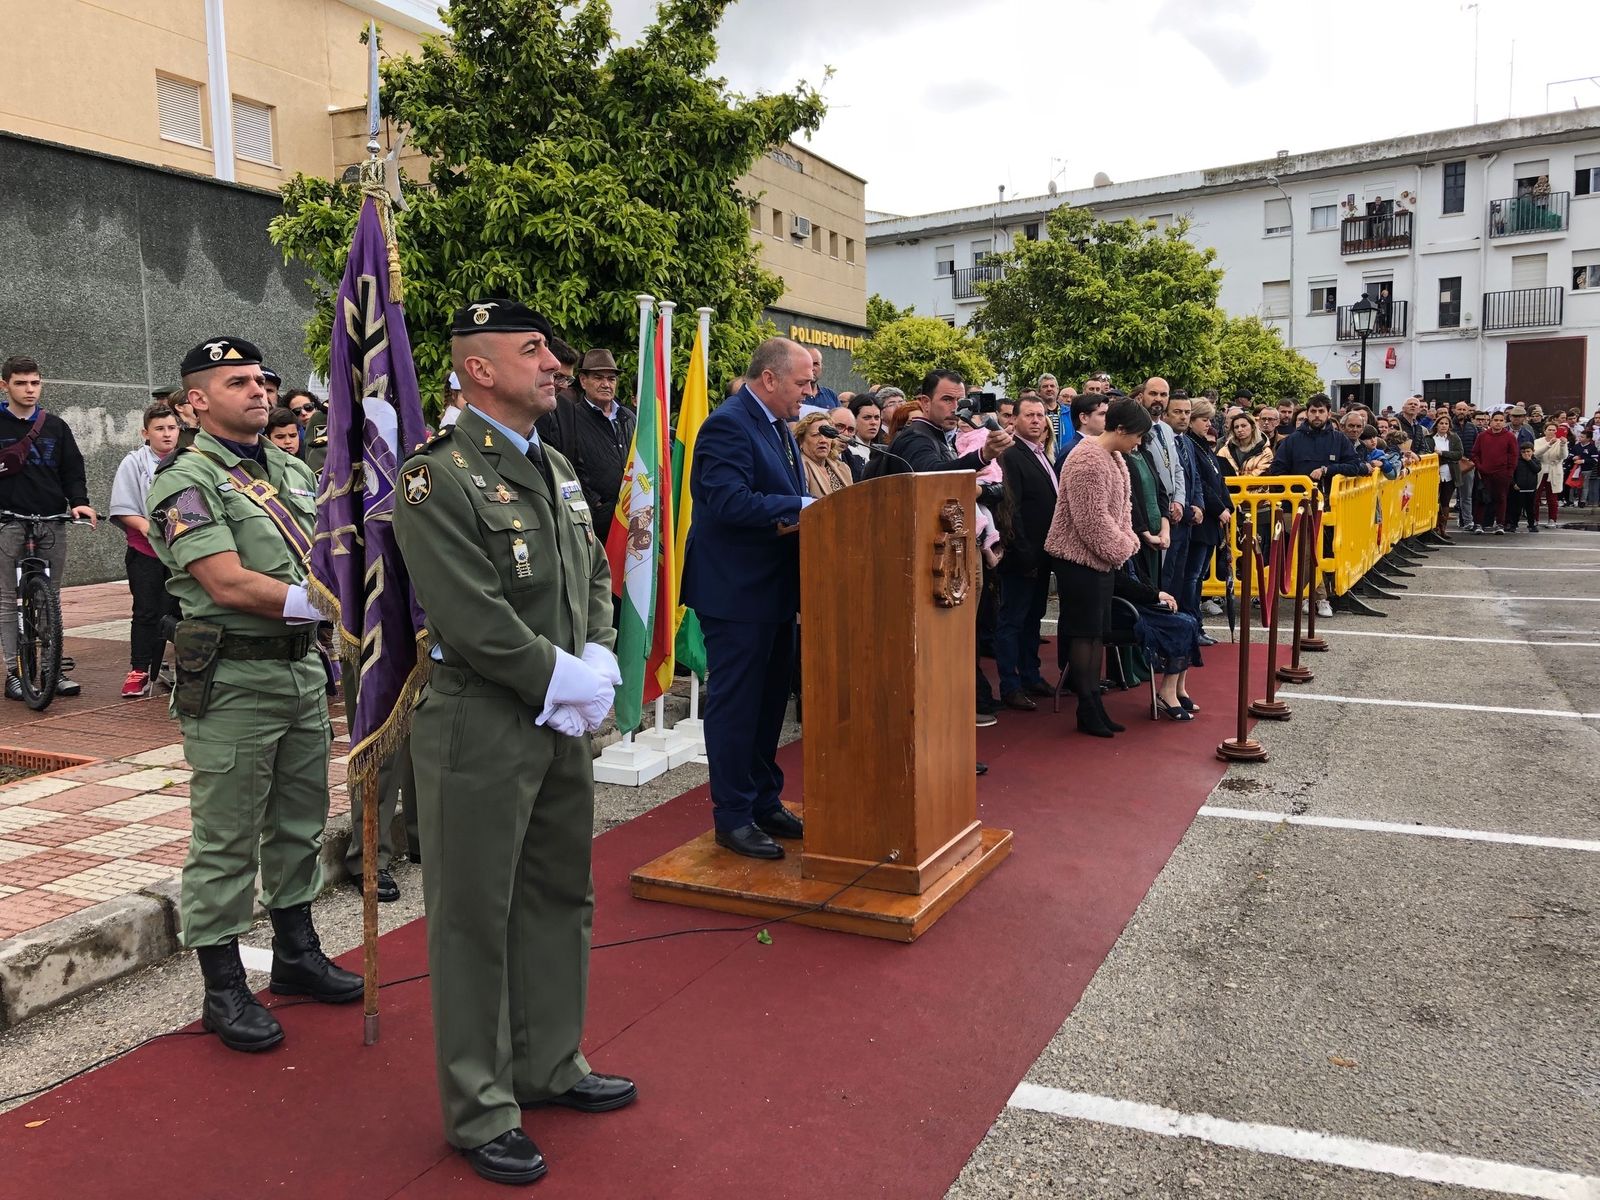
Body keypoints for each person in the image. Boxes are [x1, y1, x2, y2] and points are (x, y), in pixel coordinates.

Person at [392, 300, 633, 1186]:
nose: (555, 365)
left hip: (560, 718)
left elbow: (594, 572)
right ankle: (480, 1105)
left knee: (560, 894)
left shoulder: (559, 466)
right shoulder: (438, 477)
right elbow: (469, 613)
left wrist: (600, 652)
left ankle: (549, 1063)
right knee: (471, 920)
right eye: (533, 351)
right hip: (482, 721)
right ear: (479, 369)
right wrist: (562, 677)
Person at [144, 336, 361, 1055]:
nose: (258, 390)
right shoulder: (186, 481)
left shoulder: (295, 471)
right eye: (237, 382)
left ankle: (296, 956)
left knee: (299, 821)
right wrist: (333, 603)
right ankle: (223, 987)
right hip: (234, 679)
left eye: (261, 380)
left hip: (301, 671)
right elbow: (227, 582)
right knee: (227, 836)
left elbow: (332, 549)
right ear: (196, 401)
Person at [681, 338, 812, 862]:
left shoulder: (778, 426)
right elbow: (729, 501)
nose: (811, 391)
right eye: (803, 382)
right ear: (771, 378)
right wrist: (804, 505)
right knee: (737, 708)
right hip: (736, 593)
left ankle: (763, 800)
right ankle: (732, 816)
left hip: (775, 591)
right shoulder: (728, 424)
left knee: (767, 706)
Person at [1046, 397, 1149, 738]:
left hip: (1101, 559)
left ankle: (1093, 705)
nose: (1139, 442)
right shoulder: (1088, 459)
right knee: (1084, 634)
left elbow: (1120, 511)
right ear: (1119, 429)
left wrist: (1124, 544)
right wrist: (1124, 548)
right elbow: (1091, 521)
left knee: (1095, 635)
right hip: (1078, 560)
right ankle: (1087, 706)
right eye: (1137, 435)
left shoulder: (1113, 455)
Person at [0, 356, 97, 699]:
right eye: (21, 383)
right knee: (8, 600)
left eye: (35, 382)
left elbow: (72, 469)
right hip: (8, 521)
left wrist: (79, 502)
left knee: (49, 599)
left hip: (52, 520)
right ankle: (14, 672)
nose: (29, 389)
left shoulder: (55, 425)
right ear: (5, 385)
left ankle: (49, 670)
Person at [1267, 393, 1367, 616]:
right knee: (1307, 552)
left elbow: (1356, 466)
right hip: (1299, 508)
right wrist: (1297, 487)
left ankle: (1320, 595)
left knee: (1327, 552)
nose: (1317, 415)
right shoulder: (1292, 441)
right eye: (1313, 411)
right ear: (1306, 413)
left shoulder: (1339, 439)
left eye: (1321, 411)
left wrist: (1327, 470)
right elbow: (1277, 471)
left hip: (1331, 507)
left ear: (1328, 414)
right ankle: (1315, 597)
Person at [109, 402, 183, 697]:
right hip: (147, 549)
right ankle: (140, 669)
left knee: (183, 610)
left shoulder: (189, 460)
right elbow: (123, 507)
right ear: (145, 432)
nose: (167, 435)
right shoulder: (134, 462)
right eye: (160, 429)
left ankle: (186, 667)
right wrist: (146, 527)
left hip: (183, 549)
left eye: (172, 428)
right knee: (146, 611)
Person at [995, 397, 1059, 710]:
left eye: (1041, 415)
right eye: (1030, 415)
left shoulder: (1041, 453)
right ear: (1015, 420)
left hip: (1042, 553)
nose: (1036, 420)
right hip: (1022, 555)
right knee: (1013, 620)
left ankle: (1031, 674)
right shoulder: (1010, 453)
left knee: (1034, 617)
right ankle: (1010, 684)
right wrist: (1023, 553)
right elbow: (1010, 508)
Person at [537, 347, 636, 530]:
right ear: (583, 381)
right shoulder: (572, 416)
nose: (606, 384)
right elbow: (572, 464)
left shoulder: (629, 418)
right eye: (598, 378)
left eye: (611, 379)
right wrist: (595, 505)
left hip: (632, 515)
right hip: (597, 520)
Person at [1181, 400, 1232, 644]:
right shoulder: (1191, 445)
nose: (1209, 424)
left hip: (1212, 522)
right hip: (1202, 521)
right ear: (1193, 421)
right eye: (1204, 419)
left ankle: (1196, 626)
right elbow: (1200, 482)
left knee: (1198, 576)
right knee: (1192, 577)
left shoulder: (1204, 447)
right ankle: (1192, 624)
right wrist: (1218, 507)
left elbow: (1218, 480)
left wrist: (1227, 506)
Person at [1470, 410, 1518, 533]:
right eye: (1496, 420)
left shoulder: (1510, 437)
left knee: (1501, 499)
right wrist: (1480, 467)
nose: (1498, 423)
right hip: (1484, 473)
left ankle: (1500, 524)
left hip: (1502, 474)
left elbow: (1513, 455)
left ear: (1504, 422)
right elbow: (1475, 453)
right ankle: (1478, 524)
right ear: (1490, 421)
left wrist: (1509, 472)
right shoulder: (1482, 436)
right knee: (1481, 498)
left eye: (1501, 420)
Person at [795, 411, 853, 496]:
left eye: (827, 436)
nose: (823, 440)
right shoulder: (799, 467)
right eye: (815, 435)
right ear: (801, 440)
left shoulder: (843, 468)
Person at [1430, 413, 1463, 540]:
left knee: (1445, 501)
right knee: (1433, 500)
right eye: (1441, 423)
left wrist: (1443, 453)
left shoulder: (1454, 438)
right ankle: (1433, 527)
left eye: (1446, 423)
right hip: (1433, 473)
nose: (1443, 426)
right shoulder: (1430, 438)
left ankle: (1443, 528)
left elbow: (1459, 454)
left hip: (1450, 473)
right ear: (1436, 425)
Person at [1218, 411, 1273, 476]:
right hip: (1229, 485)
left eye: (1243, 426)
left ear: (1252, 427)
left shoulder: (1265, 452)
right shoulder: (1224, 451)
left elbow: (1261, 474)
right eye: (1236, 427)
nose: (1240, 430)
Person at [1532, 425, 1567, 525]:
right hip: (1540, 470)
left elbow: (1563, 456)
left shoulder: (1561, 442)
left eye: (1554, 430)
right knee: (1536, 496)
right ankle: (1534, 519)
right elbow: (1536, 454)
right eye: (1549, 430)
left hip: (1554, 470)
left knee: (1552, 497)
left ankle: (1552, 519)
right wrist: (1548, 445)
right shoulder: (1538, 441)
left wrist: (1563, 445)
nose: (1551, 432)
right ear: (1545, 431)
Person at [1059, 390, 1108, 461]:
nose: (1108, 418)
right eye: (1102, 414)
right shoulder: (1071, 451)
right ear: (1084, 418)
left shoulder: (1104, 447)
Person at [1507, 443, 1542, 532]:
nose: (1526, 454)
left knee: (1530, 508)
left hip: (1531, 489)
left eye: (1528, 451)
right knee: (1516, 508)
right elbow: (1511, 474)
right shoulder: (1516, 461)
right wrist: (1514, 484)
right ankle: (1513, 524)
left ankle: (1531, 524)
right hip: (1518, 489)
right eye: (1523, 452)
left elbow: (1537, 469)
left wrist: (1529, 460)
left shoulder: (1535, 461)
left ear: (1533, 451)